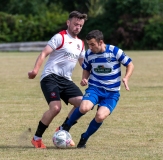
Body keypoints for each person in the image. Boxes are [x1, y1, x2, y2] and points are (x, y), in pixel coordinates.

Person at [62, 30, 134, 148]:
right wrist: (84, 78)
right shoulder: (89, 54)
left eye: (92, 44)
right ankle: (66, 126)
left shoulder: (115, 51)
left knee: (100, 116)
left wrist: (126, 78)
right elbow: (86, 68)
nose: (89, 47)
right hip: (95, 88)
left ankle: (84, 137)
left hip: (112, 93)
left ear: (101, 42)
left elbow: (130, 64)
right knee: (84, 107)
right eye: (88, 44)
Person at [28, 11, 87, 149]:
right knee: (55, 108)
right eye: (75, 24)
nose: (77, 27)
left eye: (80, 25)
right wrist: (35, 70)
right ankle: (37, 138)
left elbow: (84, 64)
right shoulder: (60, 37)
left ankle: (63, 129)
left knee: (84, 105)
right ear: (68, 23)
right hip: (50, 77)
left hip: (66, 80)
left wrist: (86, 78)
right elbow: (44, 53)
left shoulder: (81, 43)